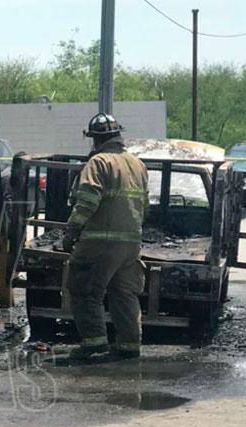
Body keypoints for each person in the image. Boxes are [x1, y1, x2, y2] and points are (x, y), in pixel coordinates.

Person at [60, 113, 149, 360]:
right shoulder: (137, 164)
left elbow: (87, 202)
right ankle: (129, 345)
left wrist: (72, 232)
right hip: (131, 243)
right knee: (124, 293)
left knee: (85, 290)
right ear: (118, 135)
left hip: (100, 241)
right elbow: (144, 206)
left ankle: (94, 343)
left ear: (96, 139)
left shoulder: (98, 162)